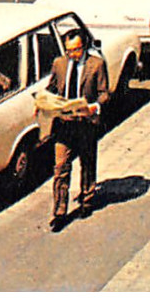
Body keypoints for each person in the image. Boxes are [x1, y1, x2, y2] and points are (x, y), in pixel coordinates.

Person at [46, 29, 109, 231]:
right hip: (64, 124)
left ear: (84, 47)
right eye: (68, 50)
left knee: (87, 162)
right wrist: (44, 101)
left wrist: (94, 107)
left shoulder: (96, 65)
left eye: (75, 50)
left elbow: (104, 93)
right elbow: (53, 87)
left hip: (85, 123)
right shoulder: (59, 63)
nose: (72, 54)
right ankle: (59, 212)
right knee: (60, 167)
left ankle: (87, 199)